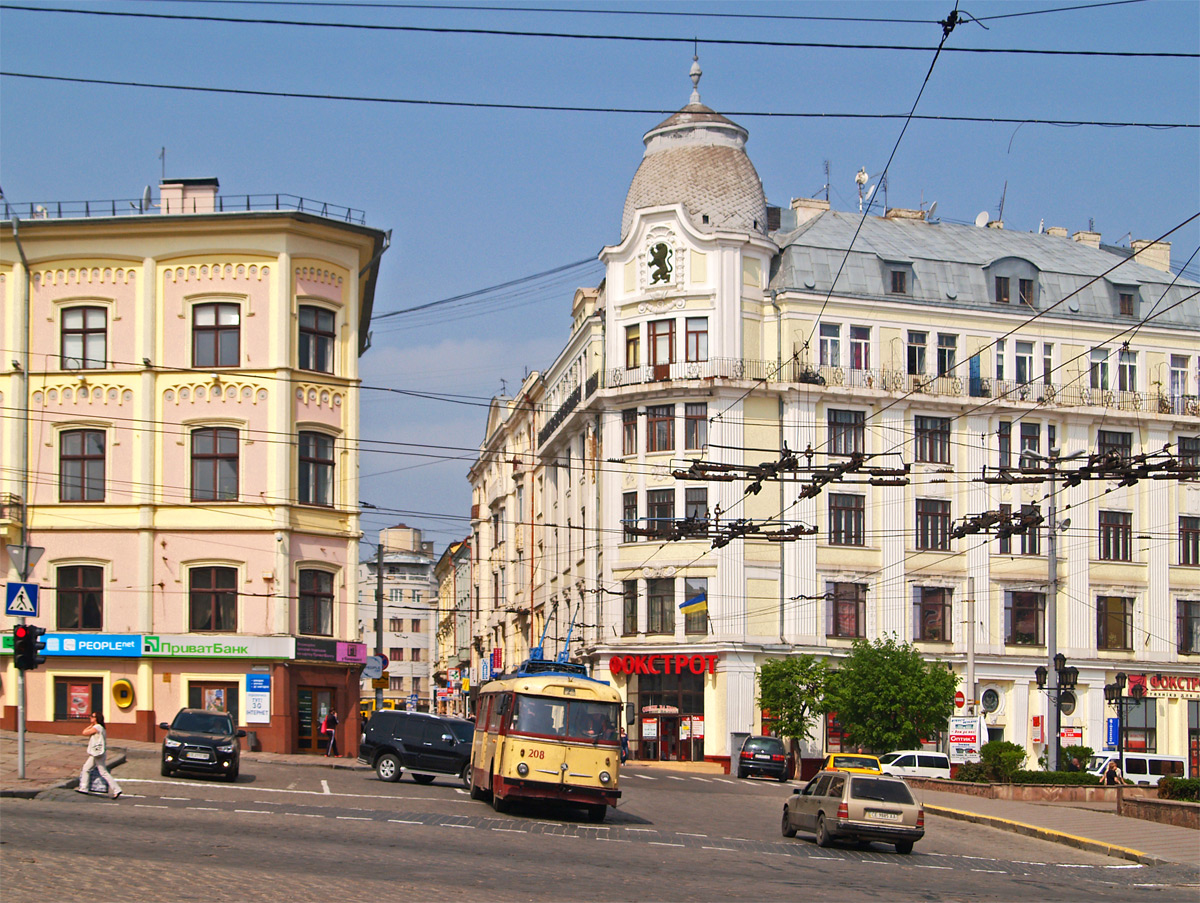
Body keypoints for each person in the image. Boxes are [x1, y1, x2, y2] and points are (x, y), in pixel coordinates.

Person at [77, 711, 121, 799]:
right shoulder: (101, 728)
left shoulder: (97, 727)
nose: (91, 718)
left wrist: (91, 725)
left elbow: (84, 732)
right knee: (86, 768)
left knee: (103, 772)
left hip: (97, 753)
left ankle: (117, 789)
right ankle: (83, 788)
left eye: (92, 717)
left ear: (97, 718)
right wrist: (92, 724)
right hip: (97, 753)